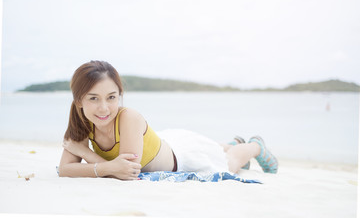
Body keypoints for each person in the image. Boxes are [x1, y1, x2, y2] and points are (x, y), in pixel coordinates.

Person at [58, 61, 278, 180]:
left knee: (227, 164)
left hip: (178, 158)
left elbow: (128, 173)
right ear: (79, 101)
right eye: (93, 98)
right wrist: (110, 166)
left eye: (111, 97)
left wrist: (85, 154)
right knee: (214, 148)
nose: (104, 108)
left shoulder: (129, 118)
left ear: (120, 95)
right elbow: (65, 170)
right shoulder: (80, 121)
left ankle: (253, 146)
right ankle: (233, 143)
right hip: (158, 145)